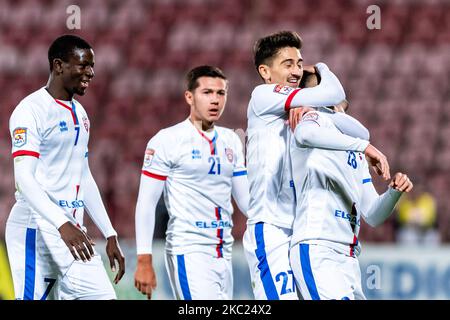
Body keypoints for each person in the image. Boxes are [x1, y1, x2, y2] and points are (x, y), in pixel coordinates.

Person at [242, 30, 389, 300]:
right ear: (265, 71)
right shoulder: (262, 96)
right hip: (272, 226)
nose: (296, 70)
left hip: (299, 228)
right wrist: (320, 67)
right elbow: (335, 91)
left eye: (299, 63)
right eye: (288, 64)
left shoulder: (302, 109)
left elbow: (351, 125)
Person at [5, 35, 125, 300]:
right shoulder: (30, 111)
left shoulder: (80, 114)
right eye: (83, 65)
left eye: (92, 66)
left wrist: (110, 233)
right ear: (58, 66)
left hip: (73, 232)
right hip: (36, 228)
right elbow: (24, 179)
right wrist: (61, 224)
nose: (90, 73)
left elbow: (83, 175)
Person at [134, 65, 249, 300]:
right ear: (189, 96)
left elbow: (246, 202)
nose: (215, 100)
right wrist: (144, 259)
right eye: (207, 93)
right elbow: (146, 203)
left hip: (223, 248)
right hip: (189, 248)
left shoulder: (232, 141)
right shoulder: (168, 140)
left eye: (221, 93)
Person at [288, 104, 413, 300]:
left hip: (349, 257)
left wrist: (393, 192)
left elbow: (372, 214)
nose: (342, 109)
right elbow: (304, 134)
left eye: (345, 106)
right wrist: (364, 145)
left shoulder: (356, 154)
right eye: (338, 104)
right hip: (319, 246)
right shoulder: (316, 123)